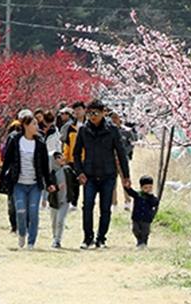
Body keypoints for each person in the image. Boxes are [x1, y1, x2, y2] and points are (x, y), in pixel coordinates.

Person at [72, 100, 130, 249]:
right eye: (90, 113)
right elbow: (76, 153)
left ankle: (101, 238)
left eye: (95, 113)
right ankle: (87, 238)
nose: (92, 116)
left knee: (105, 208)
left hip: (108, 174)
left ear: (103, 112)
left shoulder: (112, 130)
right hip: (89, 175)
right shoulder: (84, 130)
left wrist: (126, 176)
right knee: (87, 207)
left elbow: (121, 153)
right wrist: (80, 172)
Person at [1, 114, 56, 248]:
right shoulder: (15, 140)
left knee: (33, 212)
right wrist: (1, 175)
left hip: (34, 185)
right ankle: (21, 234)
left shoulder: (40, 143)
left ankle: (31, 242)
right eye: (34, 124)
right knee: (20, 211)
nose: (37, 127)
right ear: (25, 125)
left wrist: (49, 183)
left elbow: (44, 166)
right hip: (18, 183)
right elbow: (7, 160)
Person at [123, 175, 161, 248]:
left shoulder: (152, 197)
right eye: (146, 188)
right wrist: (127, 187)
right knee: (135, 230)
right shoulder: (138, 195)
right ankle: (139, 240)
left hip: (146, 218)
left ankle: (143, 242)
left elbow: (155, 203)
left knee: (145, 231)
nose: (148, 189)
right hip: (136, 217)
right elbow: (131, 192)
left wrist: (152, 198)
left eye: (150, 187)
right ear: (141, 187)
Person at [59, 104, 82, 208]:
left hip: (86, 159)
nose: (77, 112)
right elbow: (67, 144)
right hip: (73, 158)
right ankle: (73, 202)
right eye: (75, 110)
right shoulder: (71, 127)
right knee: (73, 181)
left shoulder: (88, 125)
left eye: (79, 109)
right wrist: (65, 157)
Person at [48, 150, 71, 248]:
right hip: (54, 201)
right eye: (58, 157)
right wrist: (57, 187)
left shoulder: (67, 170)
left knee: (60, 221)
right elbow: (48, 187)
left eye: (61, 156)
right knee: (54, 221)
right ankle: (54, 237)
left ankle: (57, 240)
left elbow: (75, 181)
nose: (61, 158)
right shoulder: (50, 174)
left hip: (65, 200)